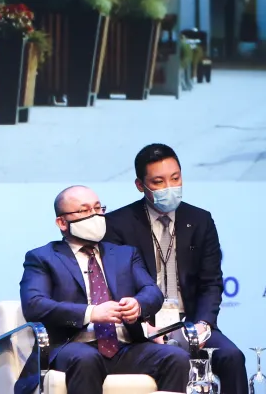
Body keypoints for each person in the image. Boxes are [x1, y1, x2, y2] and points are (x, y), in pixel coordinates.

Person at [17, 185, 189, 394]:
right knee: (86, 358)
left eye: (98, 209)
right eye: (85, 211)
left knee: (176, 358)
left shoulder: (125, 254)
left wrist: (138, 305)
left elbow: (152, 292)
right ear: (62, 222)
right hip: (73, 347)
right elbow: (34, 305)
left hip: (124, 346)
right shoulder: (43, 258)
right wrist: (91, 313)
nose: (95, 216)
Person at [104, 143, 246, 394]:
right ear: (141, 186)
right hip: (144, 326)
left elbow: (211, 282)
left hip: (190, 322)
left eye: (176, 178)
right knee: (171, 361)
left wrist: (204, 323)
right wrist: (142, 327)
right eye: (158, 181)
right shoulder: (117, 224)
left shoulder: (200, 220)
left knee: (232, 357)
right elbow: (114, 286)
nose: (170, 187)